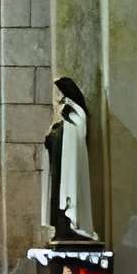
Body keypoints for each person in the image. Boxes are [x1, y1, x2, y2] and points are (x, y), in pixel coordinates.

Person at [40, 75, 96, 240]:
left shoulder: (74, 111)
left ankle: (72, 224)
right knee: (58, 195)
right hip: (60, 164)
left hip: (70, 164)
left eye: (59, 93)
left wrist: (62, 128)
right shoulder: (64, 114)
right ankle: (61, 226)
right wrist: (52, 136)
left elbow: (78, 130)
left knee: (69, 193)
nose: (57, 98)